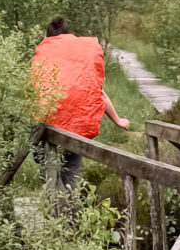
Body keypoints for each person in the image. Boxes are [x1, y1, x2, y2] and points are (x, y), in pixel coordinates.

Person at [33, 16, 130, 191]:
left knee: (50, 176)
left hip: (49, 129)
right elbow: (99, 95)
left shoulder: (45, 61)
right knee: (71, 175)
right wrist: (118, 120)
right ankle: (70, 213)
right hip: (75, 128)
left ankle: (57, 213)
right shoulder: (78, 65)